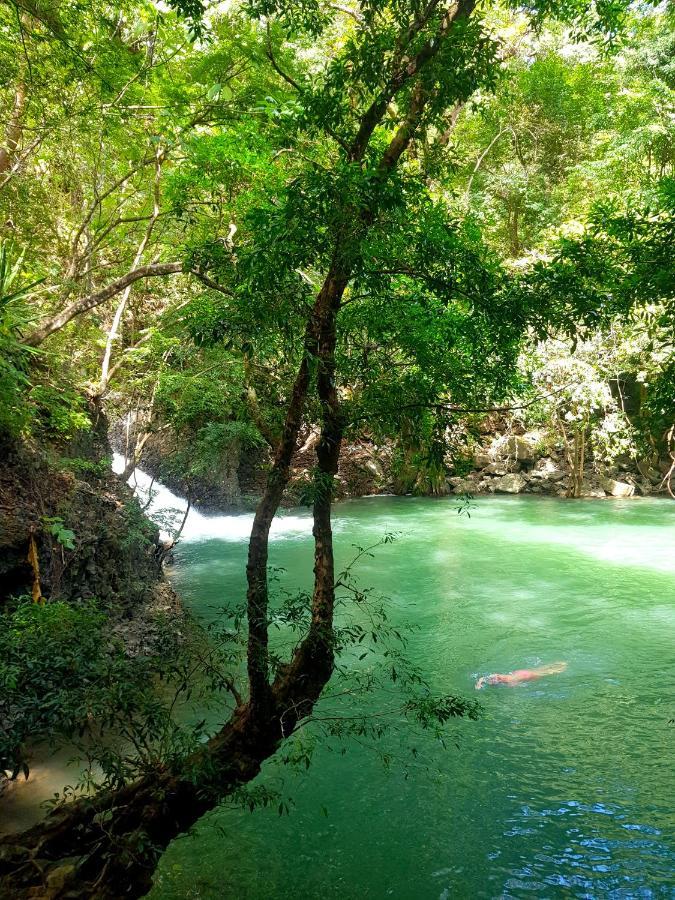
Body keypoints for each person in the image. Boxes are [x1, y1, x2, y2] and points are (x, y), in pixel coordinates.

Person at [475, 661, 567, 690]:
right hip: (521, 673)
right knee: (540, 670)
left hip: (526, 676)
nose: (493, 681)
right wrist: (479, 683)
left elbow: (484, 678)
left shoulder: (511, 683)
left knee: (544, 673)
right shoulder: (498, 676)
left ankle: (559, 668)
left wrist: (479, 684)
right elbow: (483, 678)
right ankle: (558, 665)